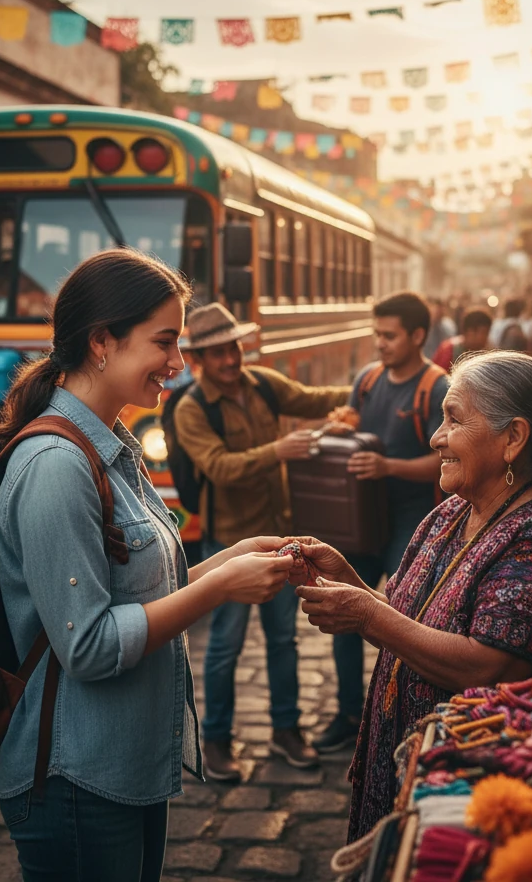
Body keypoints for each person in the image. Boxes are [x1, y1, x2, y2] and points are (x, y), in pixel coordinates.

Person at [0, 250, 295, 882]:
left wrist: (229, 560)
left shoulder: (108, 445)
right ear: (101, 342)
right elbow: (90, 645)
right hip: (76, 778)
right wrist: (220, 588)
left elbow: (138, 593)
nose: (178, 363)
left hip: (120, 767)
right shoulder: (57, 465)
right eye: (165, 342)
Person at [289, 351, 532, 840]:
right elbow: (410, 623)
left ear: (513, 438)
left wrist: (365, 615)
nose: (436, 437)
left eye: (454, 419)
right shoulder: (451, 514)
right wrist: (350, 583)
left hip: (485, 806)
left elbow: (487, 667)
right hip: (421, 779)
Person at [172, 303, 350, 781]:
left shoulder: (264, 384)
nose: (231, 359)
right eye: (217, 352)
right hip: (229, 543)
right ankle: (215, 741)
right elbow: (219, 467)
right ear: (199, 360)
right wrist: (279, 451)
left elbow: (313, 399)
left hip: (278, 536)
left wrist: (368, 388)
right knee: (225, 646)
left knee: (283, 640)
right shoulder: (192, 409)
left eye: (233, 348)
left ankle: (286, 731)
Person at [314, 292, 449, 754]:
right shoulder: (368, 380)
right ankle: (349, 713)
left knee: (405, 618)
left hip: (414, 521)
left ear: (417, 335)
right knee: (341, 607)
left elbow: (446, 461)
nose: (380, 343)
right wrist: (340, 430)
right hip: (361, 519)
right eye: (377, 334)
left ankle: (406, 713)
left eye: (389, 336)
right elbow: (352, 427)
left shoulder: (437, 388)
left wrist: (387, 466)